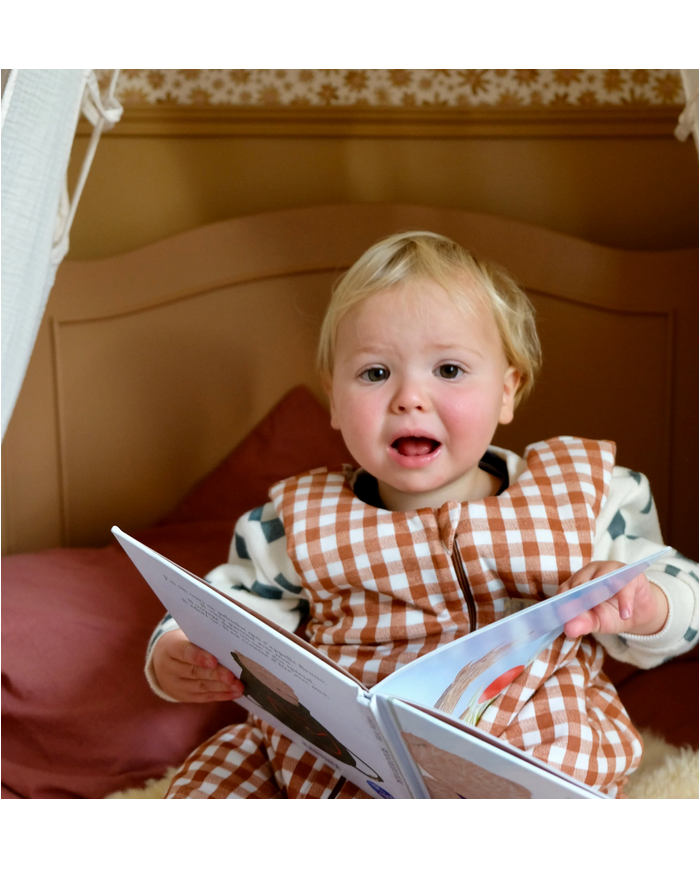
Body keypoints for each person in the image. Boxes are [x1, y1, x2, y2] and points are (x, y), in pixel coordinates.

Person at [146, 231, 698, 799]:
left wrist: (646, 605)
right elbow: (221, 608)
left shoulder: (577, 495)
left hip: (523, 741)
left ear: (507, 392)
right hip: (336, 758)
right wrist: (179, 651)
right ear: (334, 399)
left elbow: (687, 599)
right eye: (375, 373)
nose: (409, 397)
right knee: (218, 779)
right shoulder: (296, 521)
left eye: (449, 370)